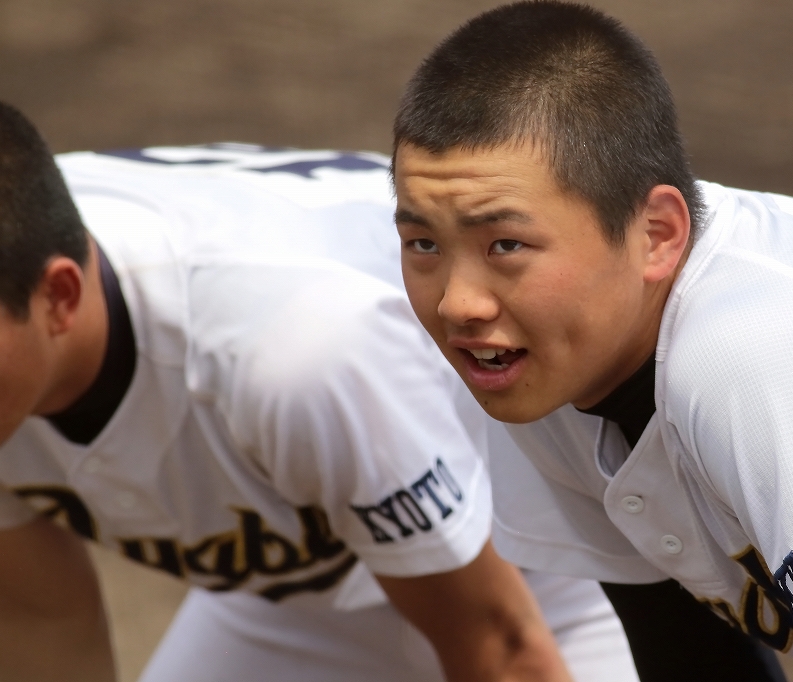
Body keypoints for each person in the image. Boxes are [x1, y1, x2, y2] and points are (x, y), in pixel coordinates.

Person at [391, 2, 793, 681]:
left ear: (657, 234)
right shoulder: (551, 353)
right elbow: (687, 650)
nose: (459, 302)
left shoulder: (760, 362)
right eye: (422, 241)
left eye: (506, 244)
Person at [0, 101, 639, 682]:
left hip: (541, 574)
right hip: (290, 601)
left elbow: (500, 647)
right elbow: (42, 621)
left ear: (58, 297)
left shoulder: (293, 351)